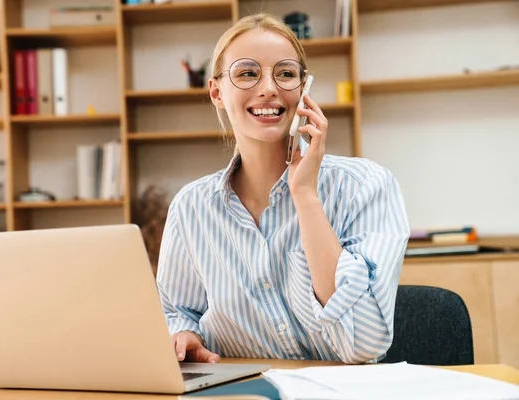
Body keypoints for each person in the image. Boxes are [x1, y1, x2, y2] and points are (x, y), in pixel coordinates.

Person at [155, 13, 410, 365]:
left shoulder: (364, 187)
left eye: (286, 73)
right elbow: (178, 310)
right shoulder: (191, 207)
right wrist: (184, 336)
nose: (269, 88)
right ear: (216, 92)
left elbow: (363, 345)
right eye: (247, 73)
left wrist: (306, 198)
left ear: (304, 88)